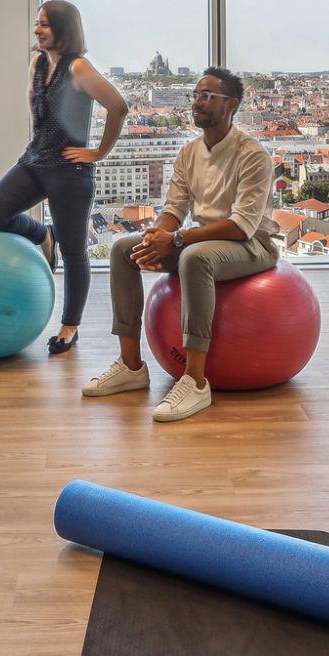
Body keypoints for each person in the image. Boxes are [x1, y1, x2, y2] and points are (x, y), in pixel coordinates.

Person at [84, 67, 281, 423]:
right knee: (123, 250)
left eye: (207, 96)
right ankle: (131, 366)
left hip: (253, 245)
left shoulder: (252, 155)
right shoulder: (189, 153)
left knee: (193, 259)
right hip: (204, 240)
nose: (197, 102)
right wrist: (155, 237)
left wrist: (174, 239)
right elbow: (174, 209)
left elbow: (242, 226)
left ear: (231, 105)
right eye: (196, 95)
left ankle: (195, 381)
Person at [0, 0, 127, 354]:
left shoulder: (78, 67)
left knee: (74, 251)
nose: (37, 30)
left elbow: (118, 106)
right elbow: (37, 111)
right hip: (35, 160)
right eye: (37, 23)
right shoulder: (38, 64)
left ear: (63, 29)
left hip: (70, 171)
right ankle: (44, 234)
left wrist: (97, 153)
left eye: (44, 24)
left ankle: (69, 327)